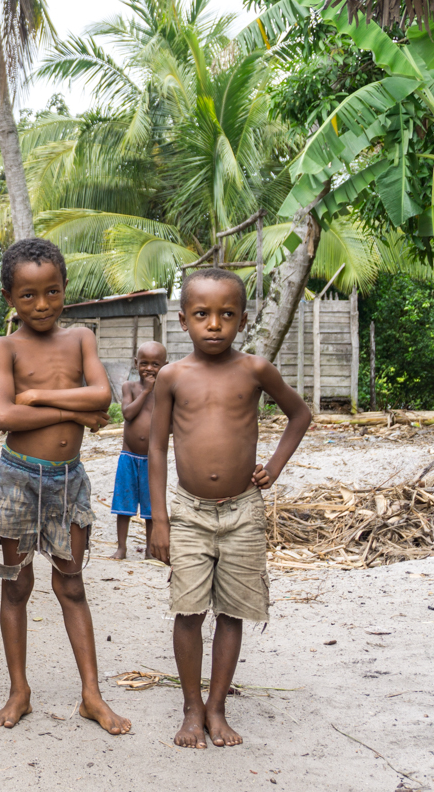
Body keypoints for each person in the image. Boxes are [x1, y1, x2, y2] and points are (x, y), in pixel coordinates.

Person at [147, 268, 310, 749]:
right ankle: (191, 708)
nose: (213, 324)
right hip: (189, 512)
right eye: (202, 315)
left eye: (225, 315)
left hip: (243, 511)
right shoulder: (173, 377)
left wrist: (274, 468)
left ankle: (217, 708)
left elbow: (299, 415)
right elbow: (156, 448)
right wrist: (159, 520)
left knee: (233, 612)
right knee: (189, 612)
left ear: (241, 319)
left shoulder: (255, 370)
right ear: (183, 320)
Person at [0, 238, 131, 736]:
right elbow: (5, 415)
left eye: (52, 292)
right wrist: (75, 411)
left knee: (71, 583)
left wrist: (41, 394)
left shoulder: (81, 338)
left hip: (68, 481)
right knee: (16, 585)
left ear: (65, 289)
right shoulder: (4, 346)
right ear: (9, 298)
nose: (41, 305)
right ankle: (19, 691)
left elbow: (102, 394)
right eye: (28, 295)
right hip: (17, 479)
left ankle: (91, 694)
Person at [109, 341, 167, 560]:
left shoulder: (164, 392)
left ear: (165, 366)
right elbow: (127, 413)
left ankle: (150, 550)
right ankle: (121, 547)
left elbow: (169, 423)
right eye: (144, 363)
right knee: (124, 504)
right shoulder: (130, 387)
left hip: (153, 459)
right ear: (136, 363)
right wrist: (146, 392)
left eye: (155, 364)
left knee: (151, 507)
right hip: (129, 456)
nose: (149, 368)